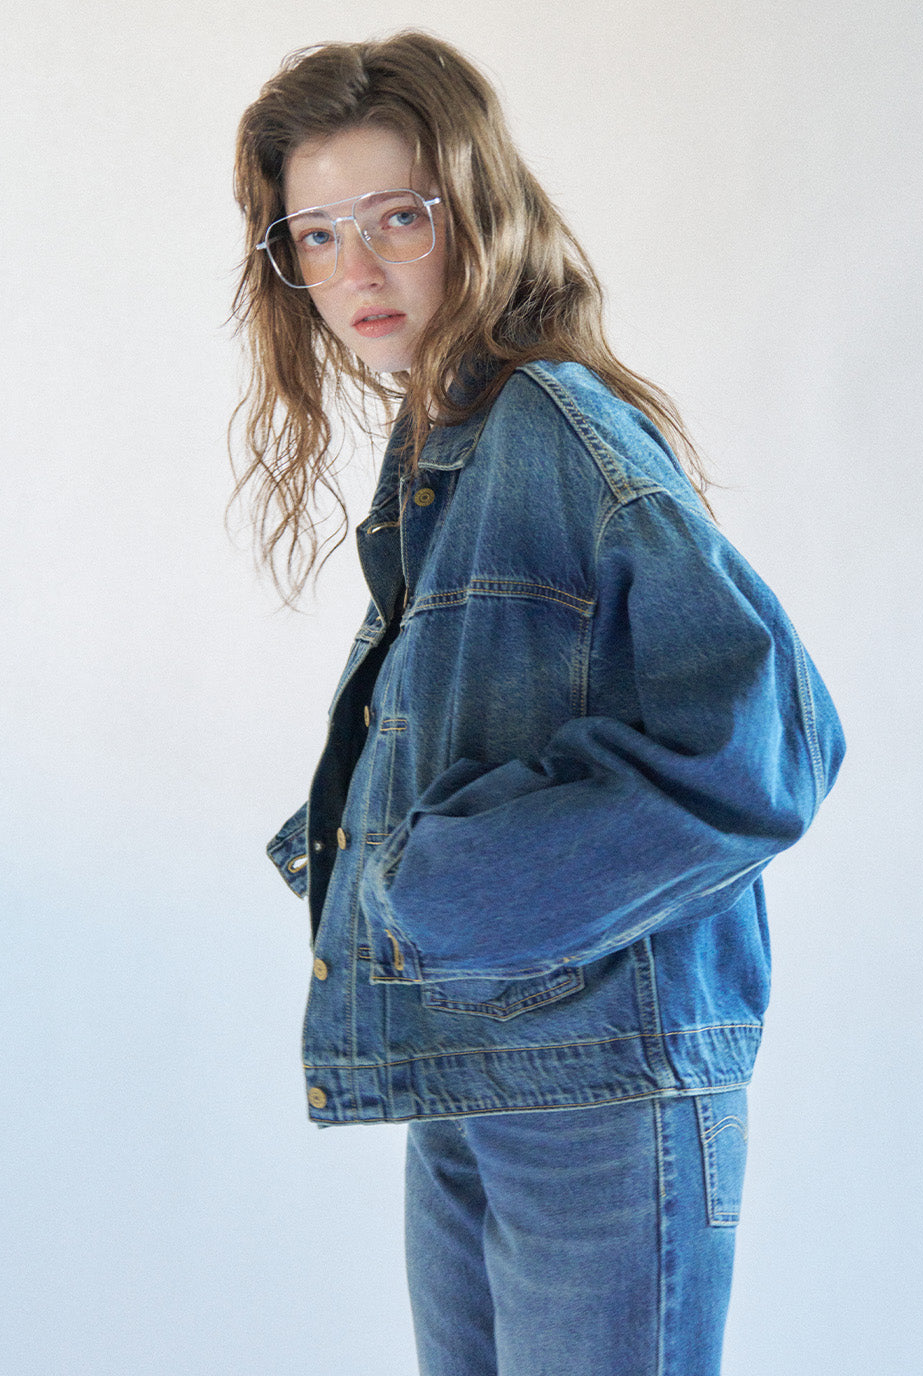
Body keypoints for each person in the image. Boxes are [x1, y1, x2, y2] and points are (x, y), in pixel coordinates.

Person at [231, 30, 845, 1376]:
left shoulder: (554, 426)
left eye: (398, 217)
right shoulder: (445, 449)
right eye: (316, 236)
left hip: (601, 1086)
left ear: (477, 207)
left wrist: (449, 890)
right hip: (481, 1063)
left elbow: (769, 744)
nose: (357, 270)